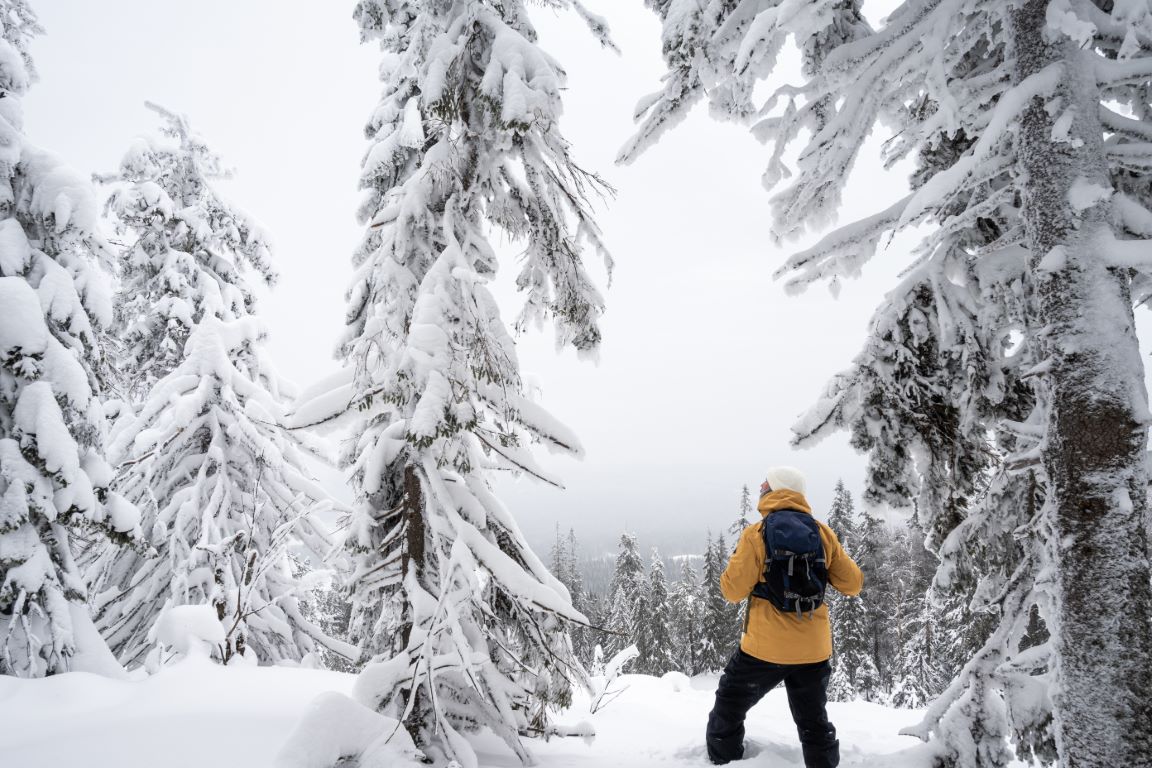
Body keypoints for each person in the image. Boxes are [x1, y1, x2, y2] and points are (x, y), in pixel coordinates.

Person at [705, 466, 864, 766]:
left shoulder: (756, 534)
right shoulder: (821, 532)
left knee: (729, 703)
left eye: (764, 484)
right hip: (813, 651)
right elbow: (853, 583)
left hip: (764, 649)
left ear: (772, 491)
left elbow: (732, 591)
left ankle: (723, 760)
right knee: (814, 722)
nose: (761, 488)